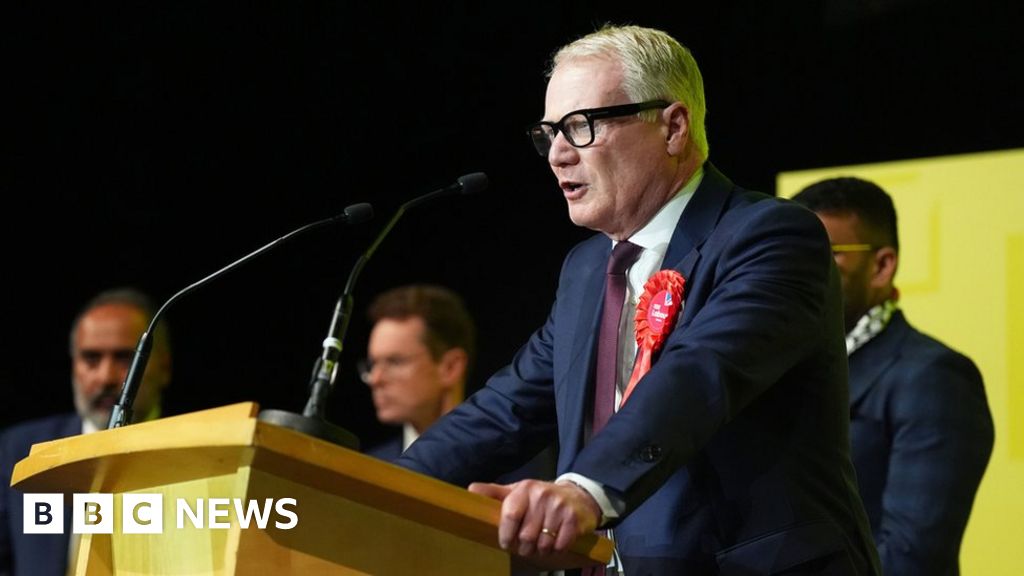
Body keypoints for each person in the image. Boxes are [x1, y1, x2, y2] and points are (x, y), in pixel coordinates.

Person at [395, 24, 880, 575]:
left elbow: (700, 374)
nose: (556, 155)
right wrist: (368, 484)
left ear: (673, 127)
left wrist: (583, 489)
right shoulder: (586, 270)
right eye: (549, 132)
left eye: (580, 127)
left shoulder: (770, 237)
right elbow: (506, 409)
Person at [792, 177, 994, 575]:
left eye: (821, 253)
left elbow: (911, 559)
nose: (796, 270)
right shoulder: (778, 364)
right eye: (786, 254)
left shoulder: (934, 377)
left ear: (882, 266)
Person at [0, 287, 172, 576]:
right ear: (73, 365)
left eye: (124, 358)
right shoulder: (19, 450)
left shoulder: (205, 457)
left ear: (164, 367)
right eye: (91, 359)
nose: (105, 377)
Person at [361, 284, 554, 482]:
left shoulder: (522, 463)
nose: (375, 379)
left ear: (451, 367)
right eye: (372, 364)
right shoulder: (370, 466)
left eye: (394, 362)